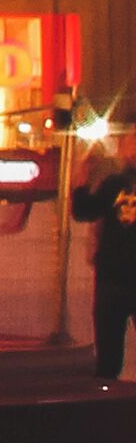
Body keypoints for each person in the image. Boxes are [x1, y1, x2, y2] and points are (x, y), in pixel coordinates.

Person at [71, 122, 136, 385]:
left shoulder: (115, 183)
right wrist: (82, 179)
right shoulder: (115, 184)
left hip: (116, 276)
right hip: (112, 277)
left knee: (109, 355)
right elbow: (84, 211)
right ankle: (105, 404)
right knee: (108, 356)